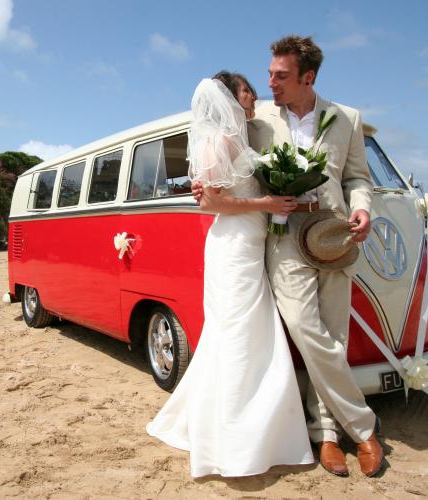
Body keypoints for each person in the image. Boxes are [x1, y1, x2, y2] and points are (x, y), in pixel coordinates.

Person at [196, 36, 383, 478]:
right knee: (304, 328)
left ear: (308, 77)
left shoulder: (347, 119)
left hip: (336, 236)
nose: (270, 83)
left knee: (332, 337)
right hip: (283, 237)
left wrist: (363, 208)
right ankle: (363, 428)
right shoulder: (256, 117)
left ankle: (327, 435)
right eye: (269, 74)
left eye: (280, 76)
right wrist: (205, 184)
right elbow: (221, 143)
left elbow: (358, 177)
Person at [146, 73, 314, 478]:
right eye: (247, 95)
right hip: (234, 246)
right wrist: (267, 201)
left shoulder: (240, 138)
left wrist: (278, 203)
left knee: (246, 332)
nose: (253, 100)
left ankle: (252, 425)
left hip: (252, 241)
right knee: (242, 332)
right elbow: (213, 203)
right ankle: (238, 438)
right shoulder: (217, 141)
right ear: (227, 98)